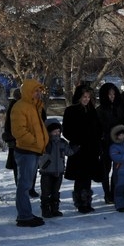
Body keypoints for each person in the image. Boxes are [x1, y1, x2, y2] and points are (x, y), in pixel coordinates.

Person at [10, 79, 49, 227]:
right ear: (28, 91)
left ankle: (26, 214)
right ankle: (24, 216)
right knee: (24, 185)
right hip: (26, 151)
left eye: (39, 91)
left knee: (27, 185)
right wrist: (35, 141)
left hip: (34, 151)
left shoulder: (35, 106)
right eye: (35, 91)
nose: (38, 93)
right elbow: (19, 131)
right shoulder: (20, 107)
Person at [63, 84, 102, 214]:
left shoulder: (92, 111)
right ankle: (80, 202)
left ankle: (87, 201)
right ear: (79, 97)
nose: (86, 99)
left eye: (88, 97)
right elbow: (66, 130)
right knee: (80, 177)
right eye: (84, 97)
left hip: (91, 149)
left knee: (88, 177)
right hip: (79, 149)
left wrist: (97, 142)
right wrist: (78, 141)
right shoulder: (71, 110)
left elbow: (98, 129)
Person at [38, 120, 77, 218]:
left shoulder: (62, 142)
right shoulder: (45, 142)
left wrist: (75, 148)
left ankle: (55, 208)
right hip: (46, 171)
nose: (57, 133)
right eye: (54, 131)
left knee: (55, 191)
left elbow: (68, 152)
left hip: (59, 171)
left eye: (58, 131)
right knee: (46, 192)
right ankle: (45, 210)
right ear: (49, 132)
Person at [96, 82, 124, 203]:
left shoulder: (119, 108)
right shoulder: (100, 110)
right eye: (109, 94)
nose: (112, 96)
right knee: (105, 170)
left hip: (118, 142)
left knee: (117, 170)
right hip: (105, 143)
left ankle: (113, 193)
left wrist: (122, 133)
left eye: (113, 94)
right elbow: (98, 128)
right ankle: (107, 194)